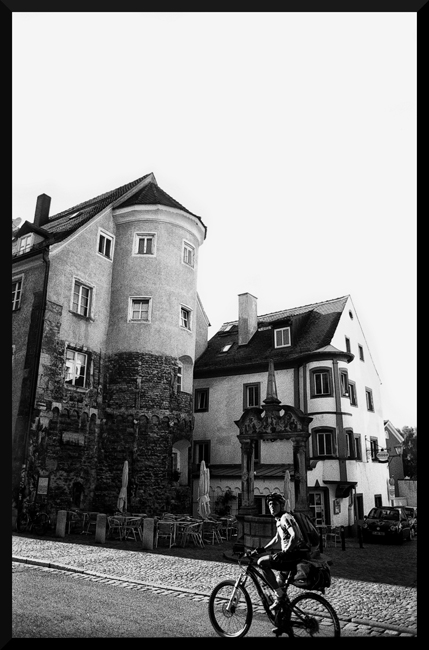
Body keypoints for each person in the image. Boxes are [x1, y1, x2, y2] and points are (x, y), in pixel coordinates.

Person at [251, 492, 309, 611]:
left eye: (275, 504)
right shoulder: (279, 520)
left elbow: (295, 536)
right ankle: (283, 622)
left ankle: (280, 596)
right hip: (291, 555)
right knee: (278, 584)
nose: (272, 506)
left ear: (281, 505)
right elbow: (277, 539)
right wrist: (262, 549)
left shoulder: (285, 518)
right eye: (270, 504)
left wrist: (285, 552)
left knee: (262, 562)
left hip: (293, 555)